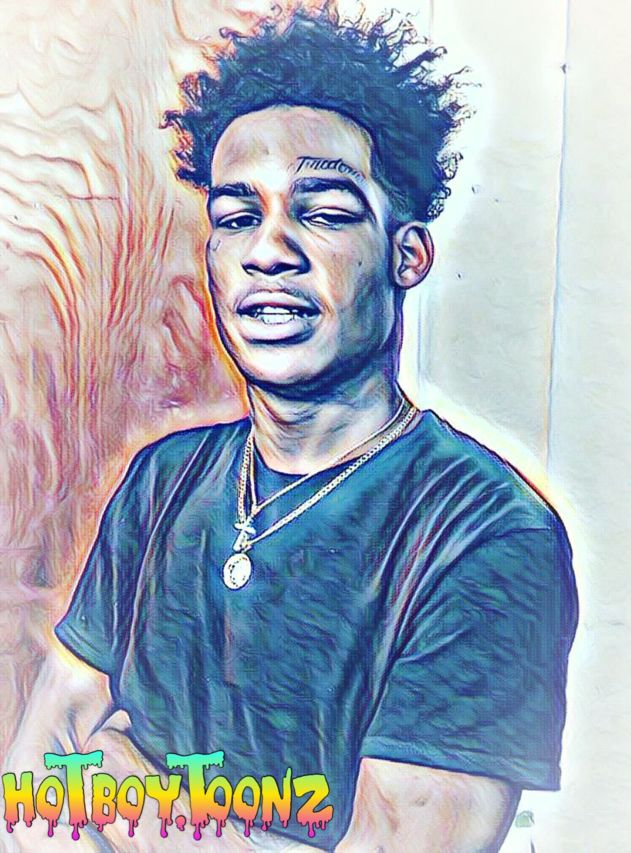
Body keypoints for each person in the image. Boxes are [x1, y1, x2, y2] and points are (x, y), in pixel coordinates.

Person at [5, 11, 578, 852]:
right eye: (238, 216)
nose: (268, 251)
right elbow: (31, 791)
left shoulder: (487, 532)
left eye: (325, 212)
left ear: (408, 254)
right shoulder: (162, 479)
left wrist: (133, 800)